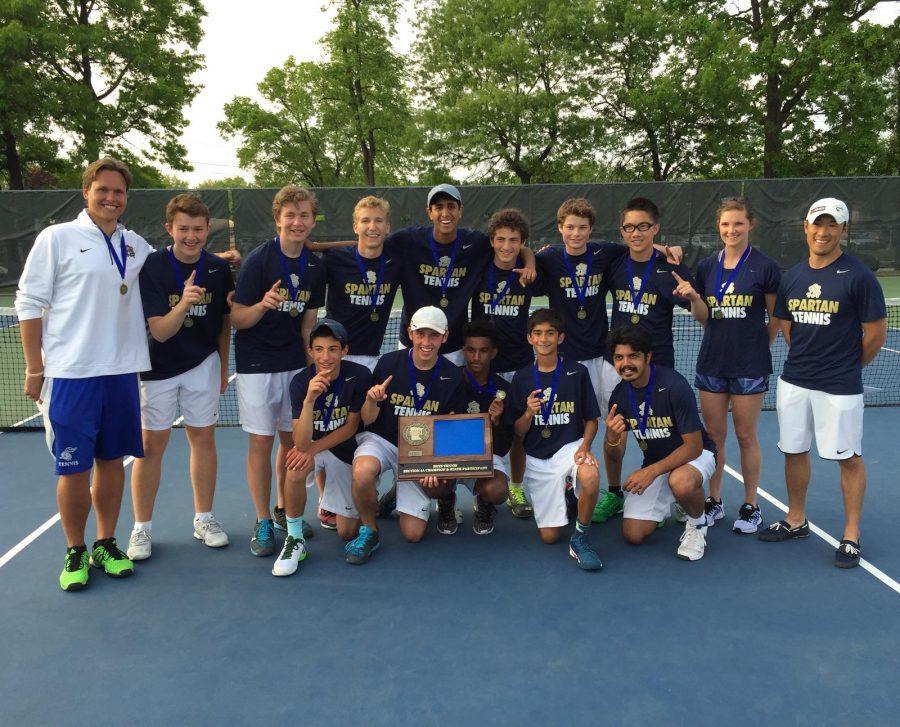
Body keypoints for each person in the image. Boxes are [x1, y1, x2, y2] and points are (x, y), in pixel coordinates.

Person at [16, 157, 153, 590]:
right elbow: (28, 302)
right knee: (72, 468)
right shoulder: (57, 238)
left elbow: (179, 259)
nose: (111, 198)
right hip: (71, 375)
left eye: (119, 192)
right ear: (86, 192)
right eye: (104, 190)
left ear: (126, 198)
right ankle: (75, 550)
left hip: (121, 372)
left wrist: (222, 256)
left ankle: (105, 543)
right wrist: (36, 367)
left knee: (112, 462)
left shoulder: (134, 244)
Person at [376, 185, 537, 518]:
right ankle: (405, 480)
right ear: (429, 212)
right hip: (414, 342)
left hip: (455, 348)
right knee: (408, 414)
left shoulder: (475, 242)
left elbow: (514, 243)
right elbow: (368, 241)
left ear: (461, 211)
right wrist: (314, 245)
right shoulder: (410, 240)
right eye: (439, 207)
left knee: (449, 418)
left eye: (451, 206)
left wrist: (530, 257)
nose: (445, 213)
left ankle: (452, 485)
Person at [761, 198, 886, 568]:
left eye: (832, 225)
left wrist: (847, 366)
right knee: (794, 451)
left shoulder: (859, 276)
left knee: (848, 458)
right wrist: (807, 358)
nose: (823, 232)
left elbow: (875, 334)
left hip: (840, 387)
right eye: (818, 224)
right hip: (795, 381)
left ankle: (851, 535)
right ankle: (796, 519)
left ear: (843, 231)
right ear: (806, 227)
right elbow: (785, 325)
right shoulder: (794, 276)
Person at [127, 193, 234, 560]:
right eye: (184, 229)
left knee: (203, 439)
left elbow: (223, 324)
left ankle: (204, 517)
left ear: (207, 231)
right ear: (169, 228)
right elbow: (159, 331)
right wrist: (184, 302)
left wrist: (222, 367)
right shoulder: (153, 267)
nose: (191, 236)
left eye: (198, 229)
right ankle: (142, 528)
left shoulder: (219, 269)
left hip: (202, 365)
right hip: (156, 369)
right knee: (151, 447)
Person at [671, 197, 781, 533]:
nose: (731, 230)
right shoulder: (706, 266)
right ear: (718, 228)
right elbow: (705, 319)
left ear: (750, 225)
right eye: (725, 224)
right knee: (714, 437)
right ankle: (714, 501)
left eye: (738, 223)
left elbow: (775, 317)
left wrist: (759, 347)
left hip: (750, 365)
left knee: (747, 436)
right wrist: (693, 299)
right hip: (712, 364)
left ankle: (751, 505)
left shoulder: (765, 267)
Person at [230, 185, 325, 557]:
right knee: (261, 443)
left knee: (292, 444)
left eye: (304, 215)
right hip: (256, 365)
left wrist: (311, 363)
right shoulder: (258, 261)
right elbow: (237, 318)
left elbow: (308, 322)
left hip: (293, 365)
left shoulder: (316, 267)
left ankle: (286, 511)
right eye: (291, 215)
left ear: (312, 220)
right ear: (278, 219)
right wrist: (263, 305)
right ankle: (262, 519)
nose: (298, 222)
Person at [593, 197, 694, 525]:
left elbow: (700, 309)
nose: (636, 233)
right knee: (616, 433)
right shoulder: (614, 262)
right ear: (622, 231)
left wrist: (667, 251)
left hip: (659, 364)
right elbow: (580, 245)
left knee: (665, 434)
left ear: (656, 228)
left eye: (644, 227)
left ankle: (674, 492)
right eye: (629, 227)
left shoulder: (673, 268)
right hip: (618, 364)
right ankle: (614, 492)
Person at [346, 306, 467, 564]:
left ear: (445, 337)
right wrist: (372, 400)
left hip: (422, 451)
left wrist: (435, 465)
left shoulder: (454, 375)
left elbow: (451, 431)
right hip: (385, 440)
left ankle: (396, 492)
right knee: (363, 471)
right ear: (410, 333)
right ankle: (369, 530)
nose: (426, 342)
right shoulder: (388, 363)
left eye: (433, 336)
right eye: (420, 334)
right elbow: (368, 419)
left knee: (413, 534)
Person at [316, 196, 401, 528]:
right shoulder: (335, 259)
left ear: (387, 227)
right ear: (355, 226)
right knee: (329, 422)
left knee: (363, 428)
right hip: (335, 357)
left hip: (371, 360)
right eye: (365, 221)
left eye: (378, 221)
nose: (372, 227)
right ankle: (326, 500)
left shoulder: (395, 260)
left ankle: (365, 489)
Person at [604, 325, 718, 561]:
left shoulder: (674, 386)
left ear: (648, 357)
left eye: (633, 356)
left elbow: (694, 446)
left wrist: (651, 472)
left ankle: (698, 523)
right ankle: (675, 501)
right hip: (658, 462)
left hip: (696, 456)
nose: (626, 363)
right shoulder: (619, 396)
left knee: (681, 481)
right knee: (633, 535)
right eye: (619, 357)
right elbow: (616, 455)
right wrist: (612, 439)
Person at [272, 320, 372, 576]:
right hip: (312, 447)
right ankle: (295, 540)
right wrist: (309, 401)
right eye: (318, 349)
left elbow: (350, 429)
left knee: (347, 533)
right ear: (310, 351)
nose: (325, 357)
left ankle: (354, 503)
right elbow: (301, 442)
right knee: (295, 466)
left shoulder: (359, 376)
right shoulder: (299, 382)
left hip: (342, 448)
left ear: (344, 350)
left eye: (332, 349)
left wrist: (312, 449)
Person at [507, 309, 603, 570]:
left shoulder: (577, 372)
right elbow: (517, 432)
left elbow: (592, 419)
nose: (544, 339)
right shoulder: (522, 377)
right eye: (538, 333)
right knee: (549, 537)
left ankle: (580, 537)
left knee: (590, 475)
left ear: (560, 338)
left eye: (550, 333)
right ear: (530, 339)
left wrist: (585, 447)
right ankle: (569, 495)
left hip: (570, 448)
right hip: (537, 456)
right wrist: (528, 412)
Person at [469, 208, 539, 519]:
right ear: (492, 241)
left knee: (518, 429)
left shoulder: (529, 273)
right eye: (500, 240)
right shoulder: (479, 267)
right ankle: (480, 489)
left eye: (514, 241)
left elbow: (532, 251)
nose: (507, 246)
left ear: (522, 241)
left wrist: (531, 260)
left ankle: (518, 486)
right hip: (483, 364)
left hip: (519, 363)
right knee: (482, 424)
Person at [435, 320, 512, 536]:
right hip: (450, 454)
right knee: (433, 485)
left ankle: (485, 502)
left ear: (493, 353)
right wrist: (445, 422)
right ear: (463, 351)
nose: (476, 357)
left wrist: (496, 422)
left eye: (483, 351)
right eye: (470, 350)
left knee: (497, 491)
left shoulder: (503, 390)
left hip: (485, 454)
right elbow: (431, 428)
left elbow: (504, 446)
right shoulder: (447, 381)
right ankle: (446, 500)